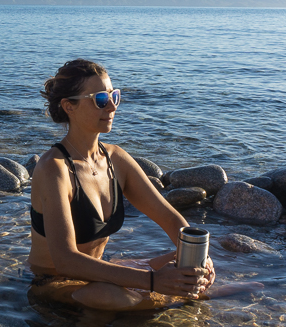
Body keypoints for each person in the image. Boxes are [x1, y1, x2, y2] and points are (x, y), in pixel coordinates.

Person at [28, 58, 215, 310]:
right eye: (100, 100)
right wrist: (151, 281)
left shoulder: (116, 158)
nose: (112, 106)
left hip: (97, 274)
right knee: (114, 296)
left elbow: (169, 218)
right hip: (54, 282)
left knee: (186, 265)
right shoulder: (54, 169)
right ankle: (170, 300)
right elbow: (66, 261)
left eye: (114, 96)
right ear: (68, 106)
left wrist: (200, 258)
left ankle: (172, 296)